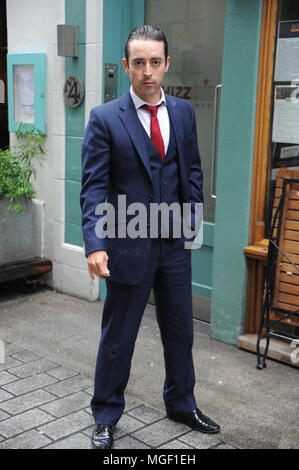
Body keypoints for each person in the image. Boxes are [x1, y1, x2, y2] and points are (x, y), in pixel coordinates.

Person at [80, 25, 220, 450]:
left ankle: (181, 402)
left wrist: (191, 220)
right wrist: (96, 244)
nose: (147, 72)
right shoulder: (105, 118)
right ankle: (105, 413)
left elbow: (191, 168)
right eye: (138, 63)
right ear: (126, 66)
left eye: (154, 62)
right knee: (118, 337)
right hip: (127, 243)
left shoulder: (182, 112)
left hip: (173, 244)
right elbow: (93, 187)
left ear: (166, 64)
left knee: (180, 332)